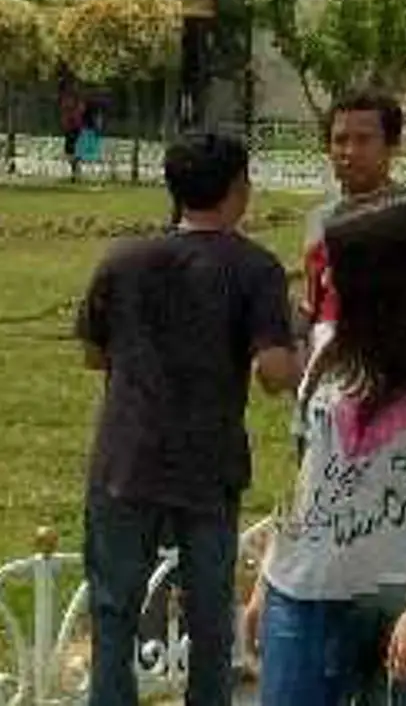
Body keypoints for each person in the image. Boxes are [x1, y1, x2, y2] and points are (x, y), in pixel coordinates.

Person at [248, 190, 406, 706]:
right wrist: (267, 578)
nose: (326, 278)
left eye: (339, 264)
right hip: (306, 584)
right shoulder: (330, 343)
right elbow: (311, 469)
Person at [73, 131, 299, 706]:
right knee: (209, 620)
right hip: (208, 465)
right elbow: (274, 372)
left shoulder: (123, 260)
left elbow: (94, 353)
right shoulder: (255, 268)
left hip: (125, 460)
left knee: (114, 614)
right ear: (239, 189)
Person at [300, 92, 406, 338]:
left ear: (392, 147)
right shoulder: (320, 219)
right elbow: (314, 302)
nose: (350, 151)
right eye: (340, 140)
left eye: (364, 140)